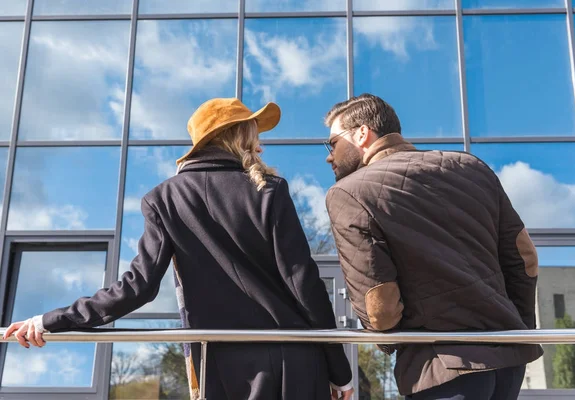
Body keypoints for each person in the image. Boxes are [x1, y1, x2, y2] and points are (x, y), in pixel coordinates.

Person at [4, 98, 353, 400]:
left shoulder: (165, 199)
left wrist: (50, 320)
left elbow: (135, 288)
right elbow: (303, 282)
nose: (260, 145)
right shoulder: (269, 189)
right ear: (234, 136)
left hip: (221, 368)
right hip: (295, 362)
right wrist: (339, 368)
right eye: (254, 134)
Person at [322, 93, 543, 400]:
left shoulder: (349, 193)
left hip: (440, 368)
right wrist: (516, 327)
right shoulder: (472, 167)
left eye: (331, 143)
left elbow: (380, 308)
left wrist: (389, 341)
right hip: (508, 362)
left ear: (362, 133)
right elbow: (525, 258)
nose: (328, 156)